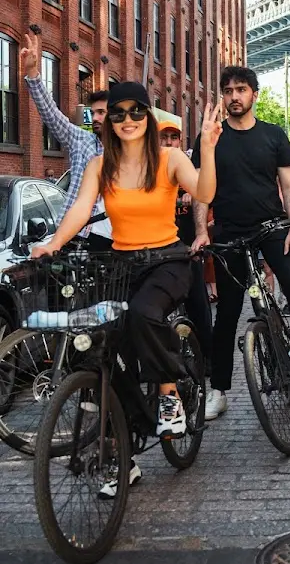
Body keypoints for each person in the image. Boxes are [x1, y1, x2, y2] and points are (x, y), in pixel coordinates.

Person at [32, 81, 221, 447]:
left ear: (148, 117)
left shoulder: (171, 158)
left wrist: (209, 150)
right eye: (118, 113)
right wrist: (53, 243)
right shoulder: (99, 165)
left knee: (143, 312)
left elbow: (205, 193)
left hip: (167, 260)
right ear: (109, 122)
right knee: (104, 349)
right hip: (122, 266)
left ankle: (169, 393)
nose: (127, 120)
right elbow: (80, 209)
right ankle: (123, 452)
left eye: (137, 111)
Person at [191, 66, 290, 420]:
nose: (234, 96)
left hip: (272, 228)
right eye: (228, 90)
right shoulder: (210, 138)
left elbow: (289, 187)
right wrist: (202, 231)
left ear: (254, 94)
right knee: (228, 313)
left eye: (241, 89)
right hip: (228, 232)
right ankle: (218, 389)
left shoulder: (273, 135)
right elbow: (200, 191)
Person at [21, 32, 113, 250]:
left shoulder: (130, 154)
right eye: (93, 112)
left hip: (115, 245)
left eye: (102, 112)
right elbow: (51, 115)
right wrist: (33, 73)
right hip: (75, 237)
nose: (96, 118)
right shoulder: (82, 140)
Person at [158, 119, 213, 362]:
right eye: (164, 138)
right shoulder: (152, 168)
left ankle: (207, 358)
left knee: (198, 303)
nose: (169, 142)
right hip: (160, 248)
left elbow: (207, 191)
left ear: (180, 141)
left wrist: (194, 192)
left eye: (173, 138)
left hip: (189, 247)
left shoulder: (188, 167)